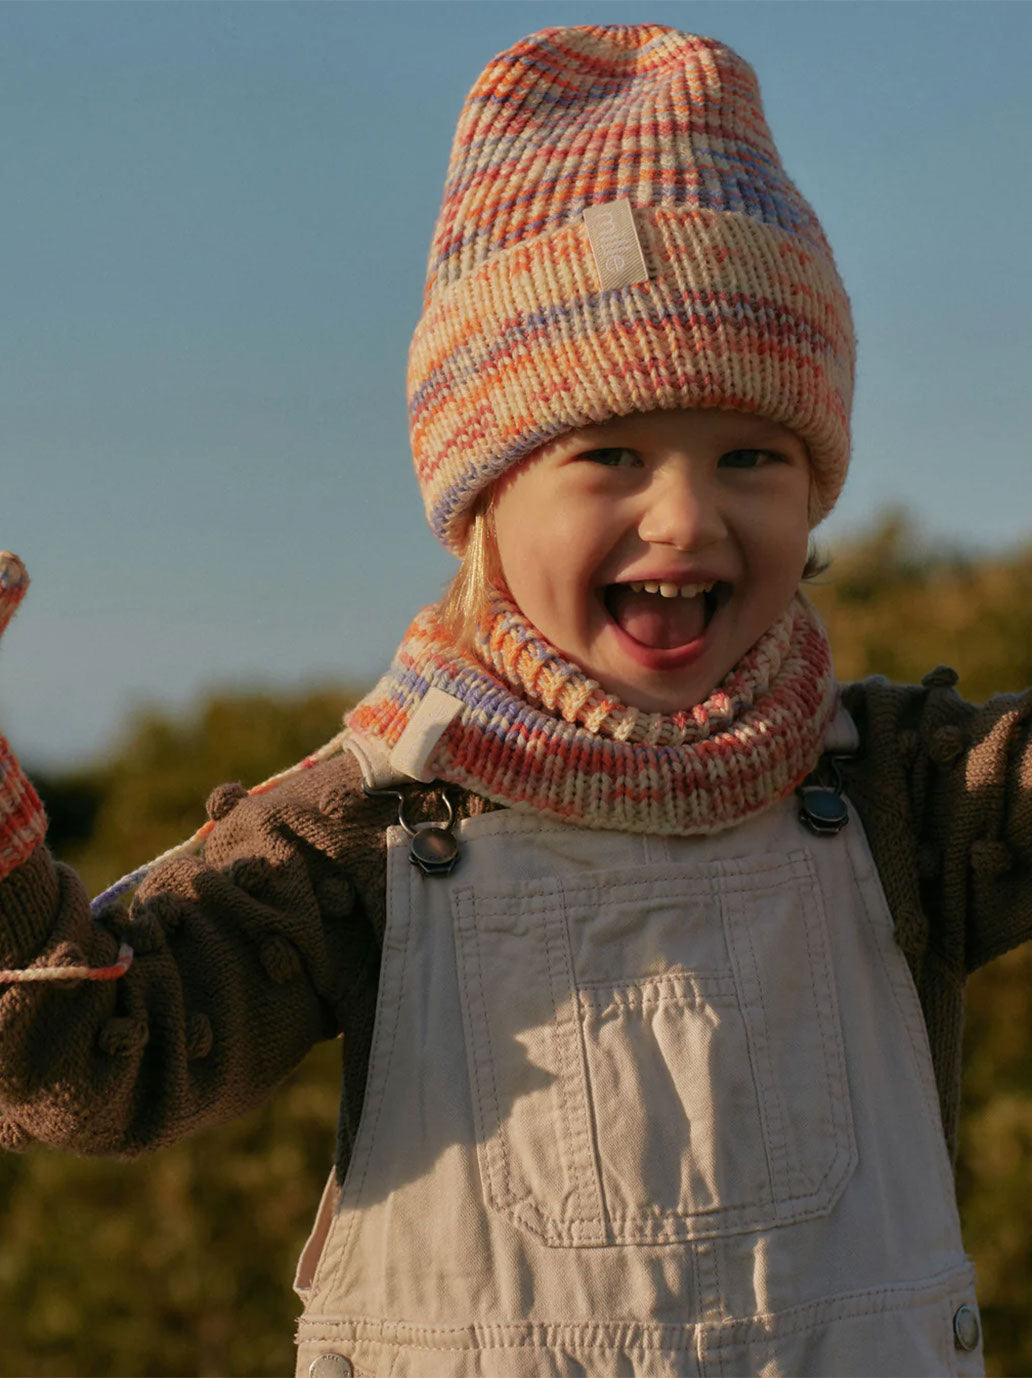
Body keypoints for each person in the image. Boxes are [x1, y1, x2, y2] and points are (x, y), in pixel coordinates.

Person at [0, 22, 1028, 1378]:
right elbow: (97, 1057)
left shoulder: (909, 794)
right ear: (484, 496)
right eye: (607, 452)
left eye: (750, 454)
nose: (686, 512)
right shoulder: (368, 820)